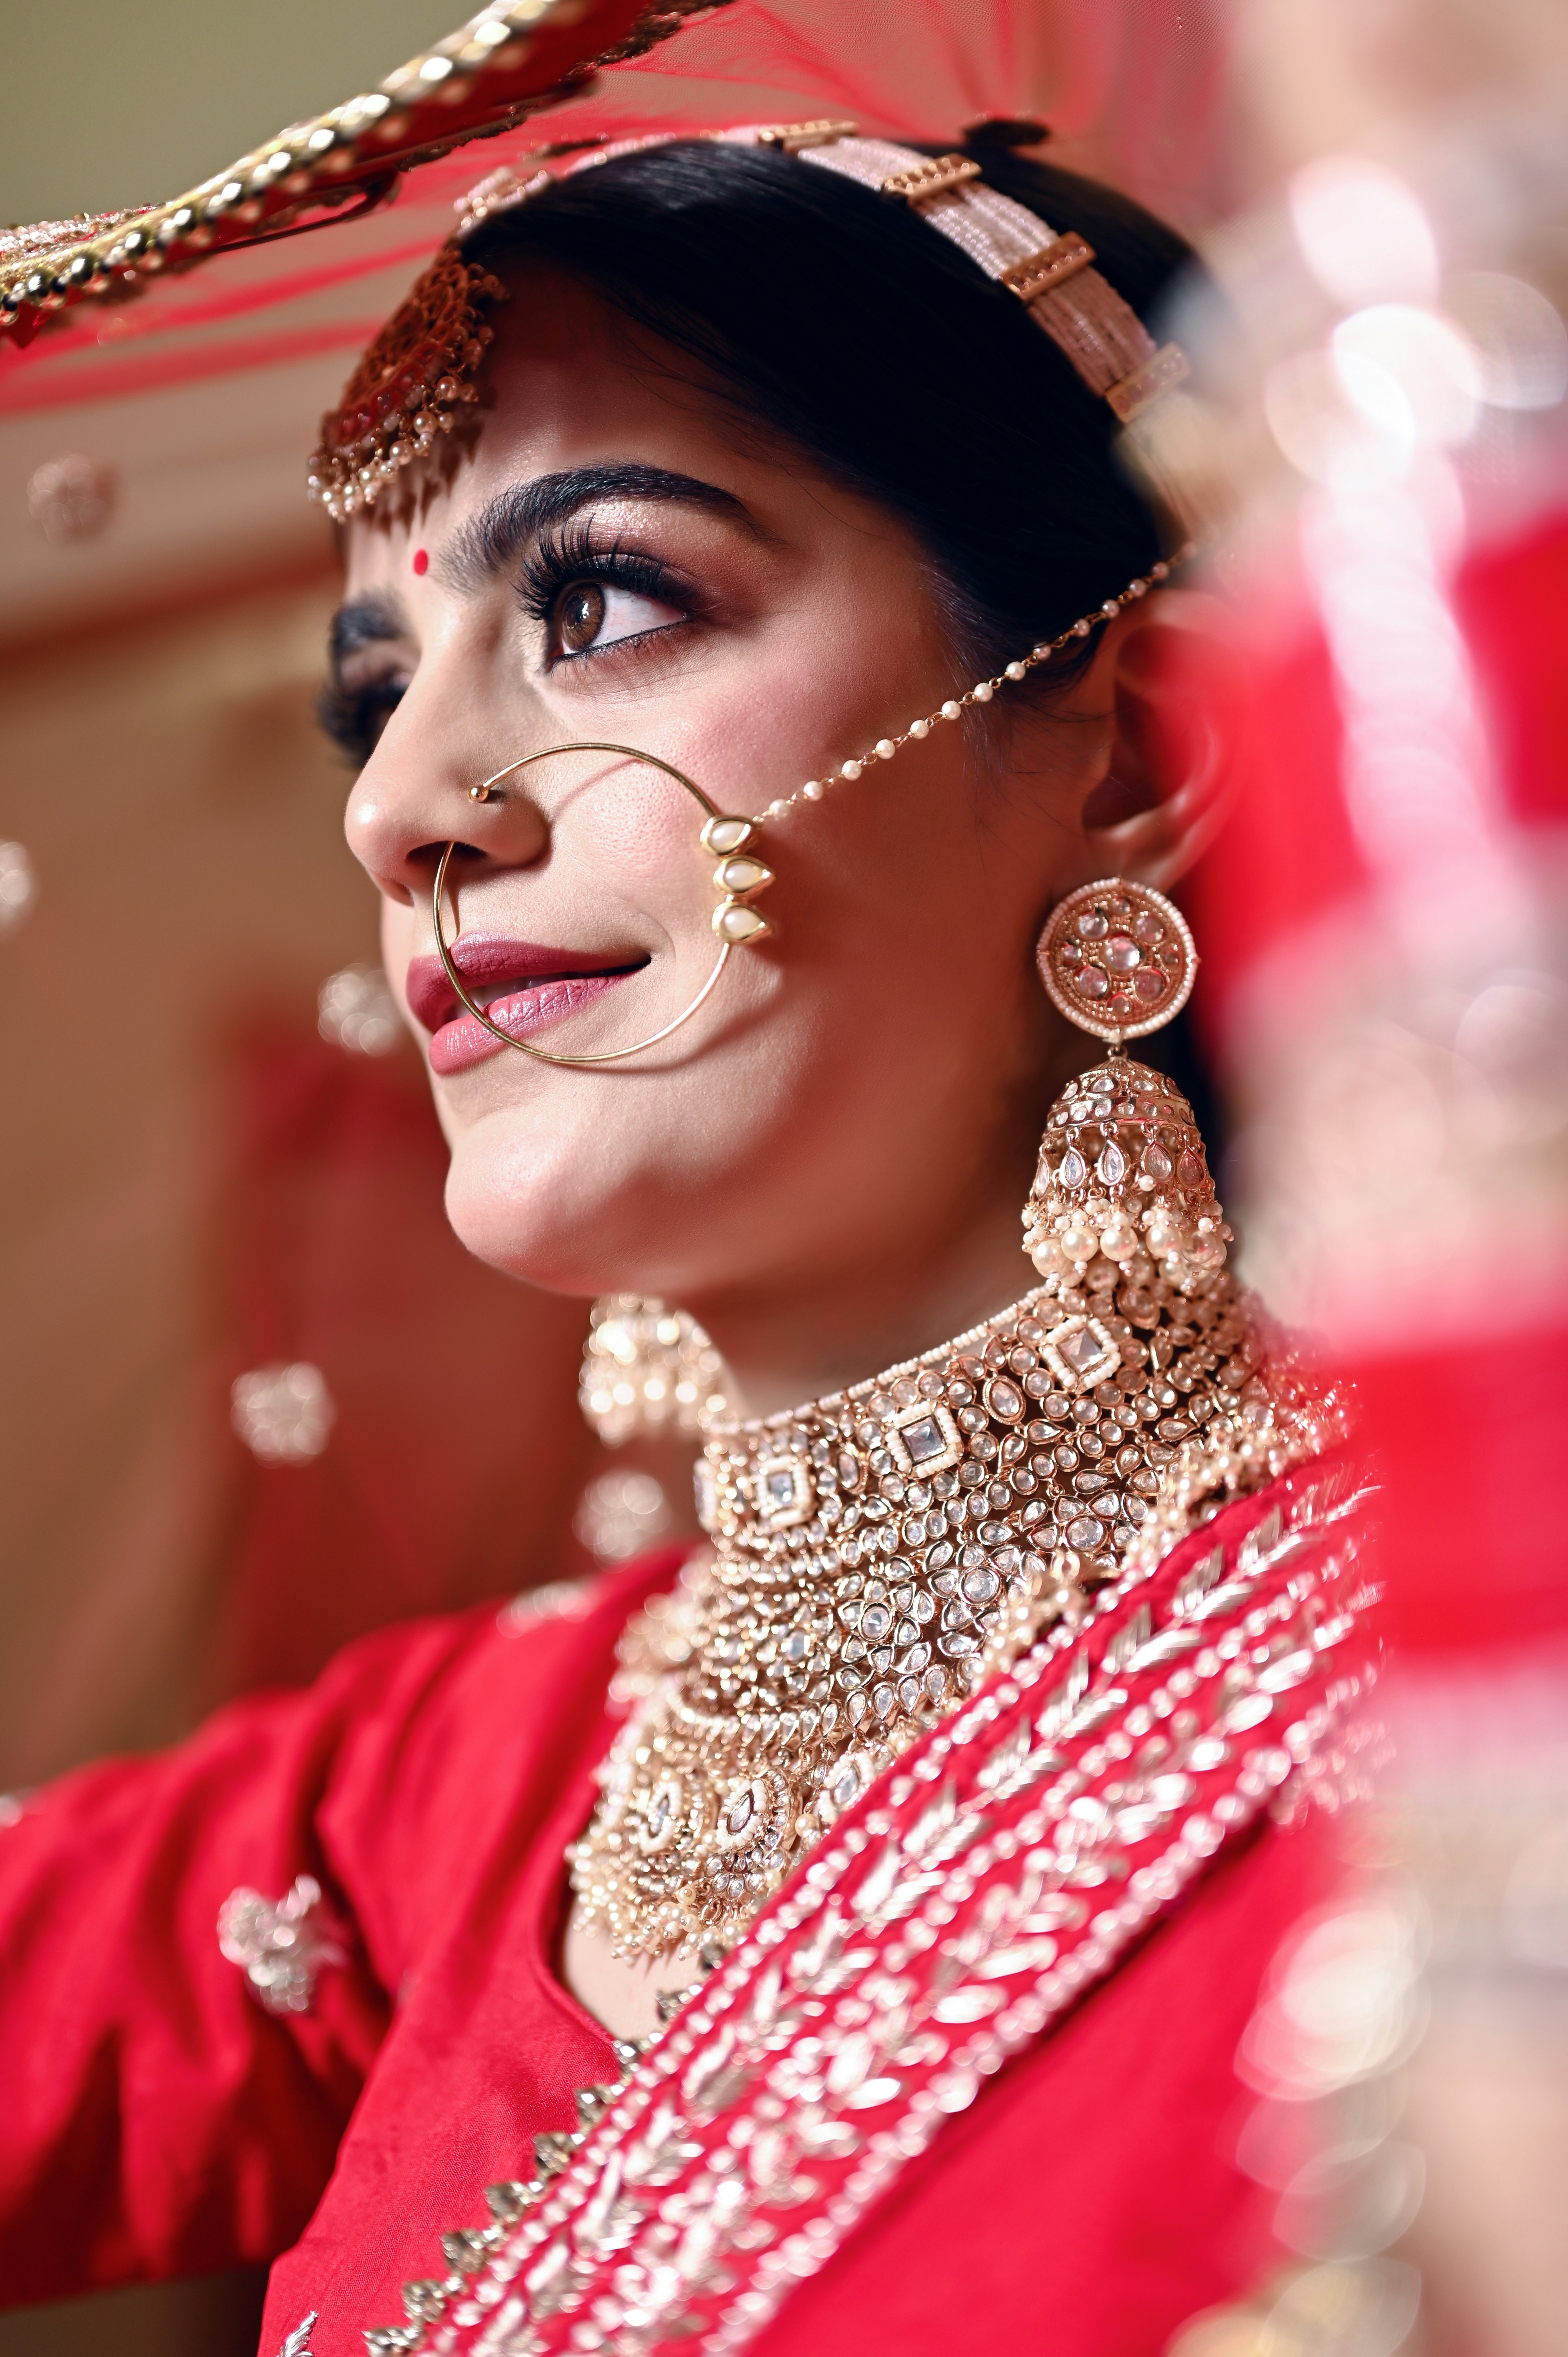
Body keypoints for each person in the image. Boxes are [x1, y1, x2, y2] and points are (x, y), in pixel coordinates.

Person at [0, 122, 1364, 2357]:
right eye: (378, 683)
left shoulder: (1471, 1691)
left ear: (1126, 751)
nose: (398, 801)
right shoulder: (451, 1783)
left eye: (604, 601)